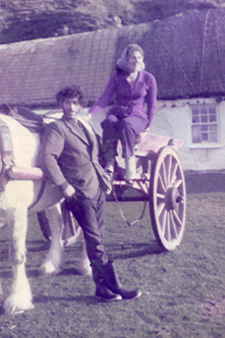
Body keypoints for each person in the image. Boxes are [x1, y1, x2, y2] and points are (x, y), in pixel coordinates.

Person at [40, 85, 142, 302]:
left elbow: (99, 150)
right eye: (66, 102)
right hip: (78, 193)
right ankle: (115, 286)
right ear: (60, 104)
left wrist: (108, 167)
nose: (71, 107)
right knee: (95, 241)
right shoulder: (57, 128)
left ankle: (102, 288)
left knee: (99, 239)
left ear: (80, 105)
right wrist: (63, 185)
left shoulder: (84, 127)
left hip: (96, 188)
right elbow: (49, 157)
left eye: (75, 103)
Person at [88, 44, 157, 180]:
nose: (136, 60)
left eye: (139, 57)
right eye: (133, 57)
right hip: (117, 113)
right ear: (126, 59)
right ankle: (109, 163)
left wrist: (146, 129)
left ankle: (129, 161)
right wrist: (89, 116)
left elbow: (152, 105)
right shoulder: (116, 77)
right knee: (109, 121)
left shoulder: (148, 78)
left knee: (127, 124)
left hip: (138, 117)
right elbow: (105, 98)